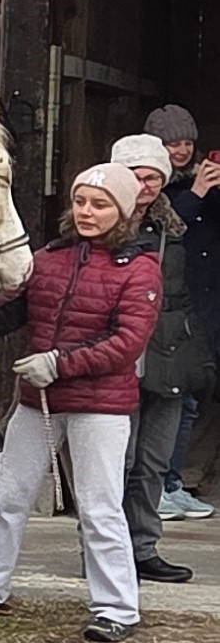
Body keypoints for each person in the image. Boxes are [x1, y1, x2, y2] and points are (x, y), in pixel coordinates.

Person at [0, 163, 159, 643]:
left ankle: (117, 608)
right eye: (81, 201)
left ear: (123, 211)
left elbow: (127, 343)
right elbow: (7, 314)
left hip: (100, 408)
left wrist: (58, 362)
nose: (87, 211)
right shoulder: (47, 258)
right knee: (8, 500)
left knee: (99, 509)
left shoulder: (140, 268)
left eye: (100, 204)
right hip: (38, 401)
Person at [108, 135, 214, 583]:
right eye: (137, 175)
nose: (146, 185)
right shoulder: (99, 225)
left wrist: (196, 352)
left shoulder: (175, 227)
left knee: (153, 462)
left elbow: (186, 294)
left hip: (168, 353)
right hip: (117, 356)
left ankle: (143, 549)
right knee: (118, 461)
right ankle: (105, 550)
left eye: (154, 176)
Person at [149, 102, 220, 517]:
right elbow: (166, 229)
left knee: (191, 394)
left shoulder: (199, 182)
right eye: (171, 143)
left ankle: (170, 483)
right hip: (169, 305)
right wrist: (197, 193)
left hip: (201, 302)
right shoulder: (150, 185)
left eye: (187, 143)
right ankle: (157, 486)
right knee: (168, 396)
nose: (180, 150)